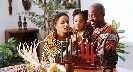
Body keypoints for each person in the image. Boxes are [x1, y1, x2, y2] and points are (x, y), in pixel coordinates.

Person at [88, 3, 119, 68]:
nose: (90, 19)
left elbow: (102, 58)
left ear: (103, 15)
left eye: (93, 16)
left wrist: (82, 57)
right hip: (92, 66)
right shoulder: (95, 28)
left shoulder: (111, 34)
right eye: (89, 16)